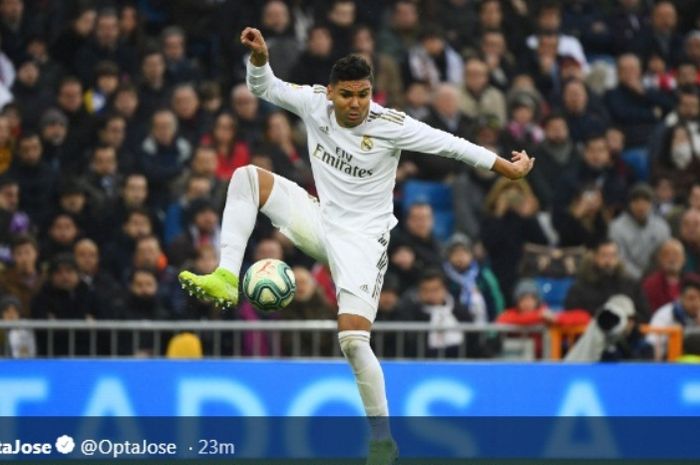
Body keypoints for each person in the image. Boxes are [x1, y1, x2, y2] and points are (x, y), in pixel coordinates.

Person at [178, 27, 534, 465]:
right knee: (247, 177)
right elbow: (264, 87)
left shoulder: (391, 125)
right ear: (330, 93)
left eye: (363, 95)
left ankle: (382, 439)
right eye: (347, 95)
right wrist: (260, 58)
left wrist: (507, 168)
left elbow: (453, 146)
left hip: (364, 241)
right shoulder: (313, 103)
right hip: (321, 219)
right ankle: (227, 275)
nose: (356, 104)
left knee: (351, 340)